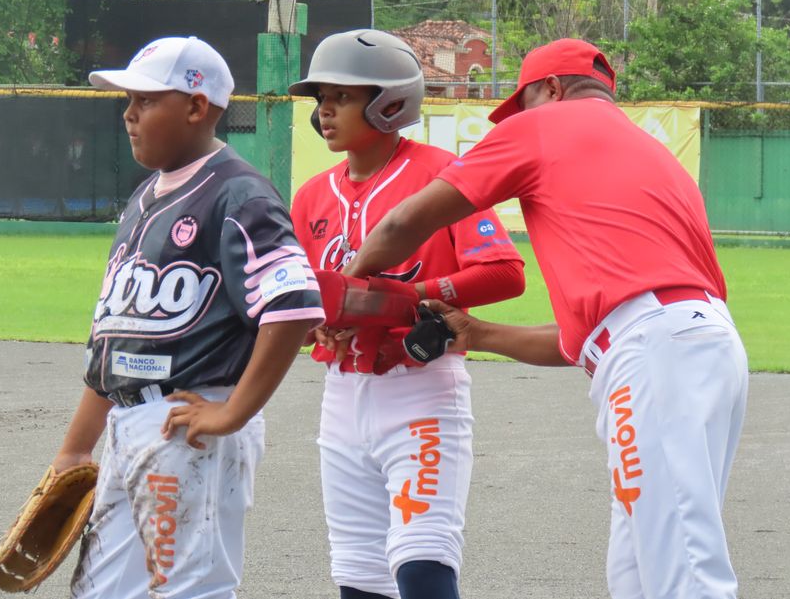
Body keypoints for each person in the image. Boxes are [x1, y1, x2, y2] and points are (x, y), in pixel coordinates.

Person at [343, 38, 749, 599]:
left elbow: (400, 226)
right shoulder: (649, 152)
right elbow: (586, 338)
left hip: (655, 357)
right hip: (697, 345)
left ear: (553, 89)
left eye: (524, 100)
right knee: (639, 569)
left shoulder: (542, 126)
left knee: (683, 571)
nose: (518, 117)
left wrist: (349, 291)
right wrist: (481, 333)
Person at [51, 36, 325, 598]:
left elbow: (294, 306)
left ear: (197, 107)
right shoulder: (143, 198)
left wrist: (233, 414)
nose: (129, 114)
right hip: (130, 425)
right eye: (128, 99)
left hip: (189, 425)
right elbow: (116, 339)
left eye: (146, 101)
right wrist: (76, 448)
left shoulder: (239, 195)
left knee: (185, 591)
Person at [288, 29, 526, 599]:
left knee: (421, 564)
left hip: (422, 388)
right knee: (358, 576)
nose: (325, 110)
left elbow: (506, 273)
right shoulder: (311, 196)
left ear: (390, 102)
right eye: (320, 96)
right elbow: (301, 295)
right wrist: (312, 320)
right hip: (341, 396)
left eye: (341, 96)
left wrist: (419, 295)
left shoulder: (443, 175)